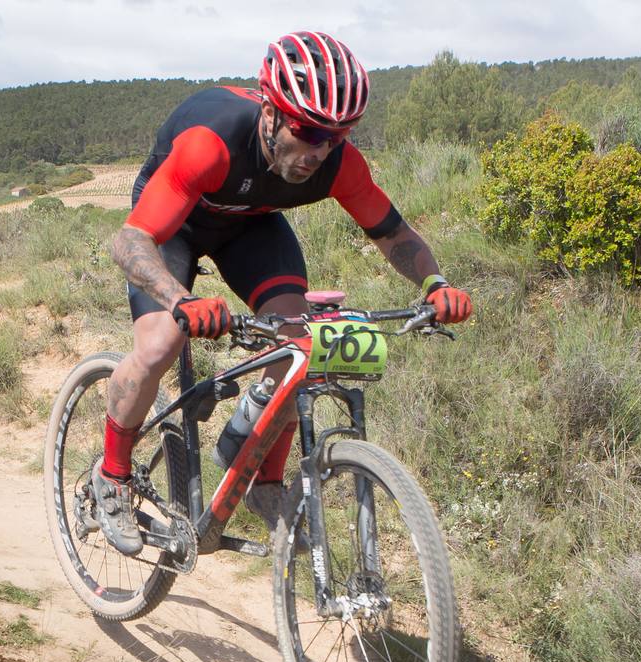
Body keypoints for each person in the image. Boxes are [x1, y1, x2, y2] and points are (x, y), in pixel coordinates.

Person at [95, 31, 472, 556]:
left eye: (336, 136)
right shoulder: (212, 142)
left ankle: (257, 472)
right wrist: (180, 301)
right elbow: (130, 239)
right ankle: (111, 476)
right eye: (309, 130)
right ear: (271, 113)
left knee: (300, 349)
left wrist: (436, 284)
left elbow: (394, 234)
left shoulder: (338, 163)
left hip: (250, 226)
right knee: (160, 343)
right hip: (173, 225)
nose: (319, 149)